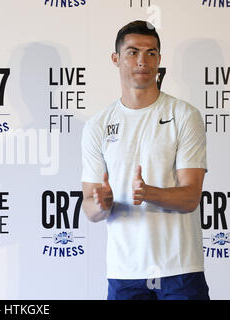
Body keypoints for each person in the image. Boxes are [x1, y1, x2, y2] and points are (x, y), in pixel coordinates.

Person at [81, 20, 210, 300]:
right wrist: (101, 204)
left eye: (151, 53)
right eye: (133, 52)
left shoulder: (185, 115)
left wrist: (149, 193)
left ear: (160, 59)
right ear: (116, 58)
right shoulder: (97, 125)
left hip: (180, 270)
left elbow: (190, 197)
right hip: (124, 274)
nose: (142, 60)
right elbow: (90, 208)